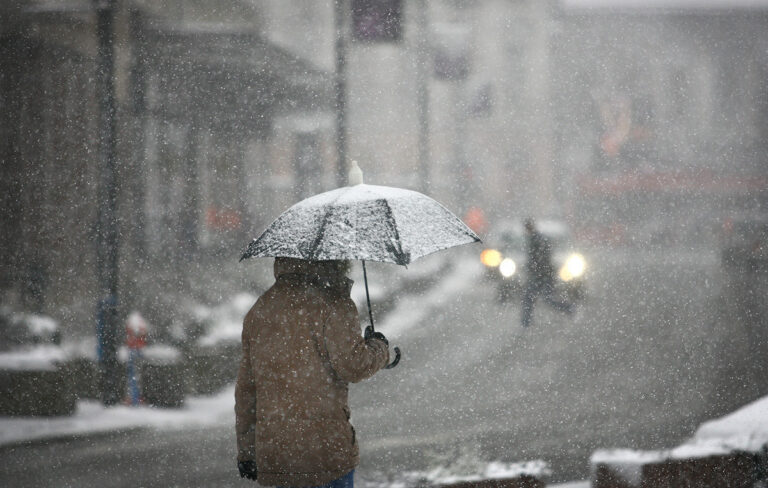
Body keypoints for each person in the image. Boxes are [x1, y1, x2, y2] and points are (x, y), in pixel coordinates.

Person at [235, 257, 390, 487]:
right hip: (325, 453)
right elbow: (354, 366)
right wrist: (379, 348)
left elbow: (247, 390)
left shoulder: (261, 308)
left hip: (277, 455)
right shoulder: (334, 303)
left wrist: (247, 451)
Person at [520, 218, 573, 327]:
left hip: (542, 276)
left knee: (542, 299)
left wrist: (535, 269)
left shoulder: (537, 240)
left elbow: (541, 259)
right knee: (535, 298)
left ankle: (569, 308)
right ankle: (526, 323)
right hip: (541, 275)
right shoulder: (535, 239)